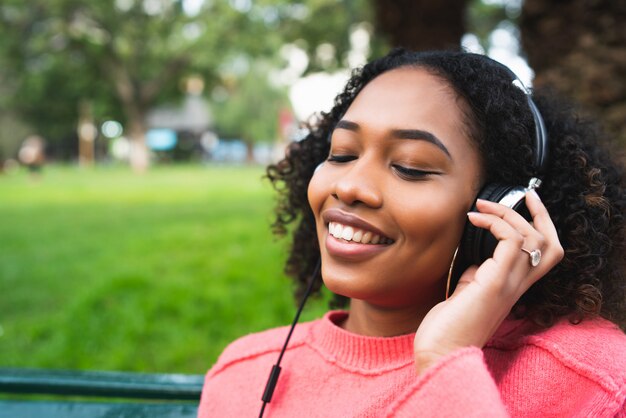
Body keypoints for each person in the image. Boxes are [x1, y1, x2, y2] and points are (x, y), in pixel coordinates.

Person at [198, 49, 626, 417]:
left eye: (410, 167)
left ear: (505, 205)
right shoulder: (243, 374)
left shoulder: (594, 380)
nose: (347, 187)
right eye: (342, 154)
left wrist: (446, 360)